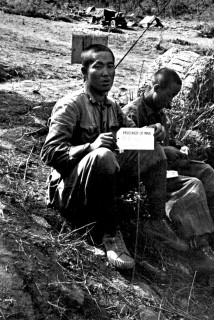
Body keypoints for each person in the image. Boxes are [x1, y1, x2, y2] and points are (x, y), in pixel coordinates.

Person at [40, 45, 188, 270]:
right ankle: (110, 233)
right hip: (69, 192)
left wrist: (153, 131)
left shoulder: (112, 107)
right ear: (84, 72)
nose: (106, 73)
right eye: (98, 66)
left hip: (100, 190)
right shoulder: (71, 104)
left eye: (110, 66)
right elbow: (49, 153)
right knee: (102, 155)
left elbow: (133, 135)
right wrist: (89, 147)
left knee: (153, 149)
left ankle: (156, 220)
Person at [122, 67, 214, 271]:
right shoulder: (131, 113)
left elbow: (168, 139)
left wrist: (179, 146)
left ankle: (210, 233)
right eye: (169, 96)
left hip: (167, 165)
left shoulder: (159, 113)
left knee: (206, 172)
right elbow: (128, 148)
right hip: (148, 173)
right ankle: (198, 249)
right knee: (193, 185)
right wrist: (165, 150)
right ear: (156, 88)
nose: (171, 103)